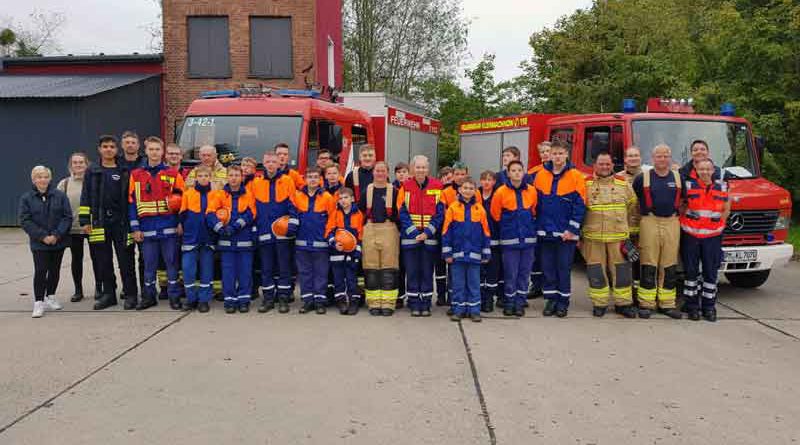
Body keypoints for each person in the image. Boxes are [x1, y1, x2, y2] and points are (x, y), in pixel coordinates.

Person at [80, 135, 138, 310]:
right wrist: (85, 220)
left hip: (122, 222)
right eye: (105, 146)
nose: (108, 149)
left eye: (112, 146)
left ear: (116, 149)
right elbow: (86, 196)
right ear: (99, 149)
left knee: (126, 261)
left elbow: (132, 197)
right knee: (103, 261)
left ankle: (131, 294)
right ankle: (109, 295)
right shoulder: (92, 170)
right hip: (99, 222)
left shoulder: (124, 170)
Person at [129, 136, 185, 310]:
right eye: (151, 149)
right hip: (146, 229)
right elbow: (132, 202)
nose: (154, 152)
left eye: (157, 149)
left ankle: (174, 297)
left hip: (169, 227)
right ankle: (148, 297)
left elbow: (183, 201)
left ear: (163, 153)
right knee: (149, 266)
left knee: (172, 264)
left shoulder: (173, 174)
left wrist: (180, 223)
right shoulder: (136, 175)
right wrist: (135, 227)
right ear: (145, 151)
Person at [533, 140, 586, 318]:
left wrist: (572, 229)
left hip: (566, 234)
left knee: (563, 268)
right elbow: (535, 203)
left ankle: (563, 303)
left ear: (566, 155)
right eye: (554, 153)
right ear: (550, 155)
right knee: (548, 268)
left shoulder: (576, 176)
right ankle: (550, 300)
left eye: (560, 153)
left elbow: (580, 205)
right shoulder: (540, 175)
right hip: (545, 232)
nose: (557, 157)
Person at [581, 152, 638, 318]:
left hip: (618, 237)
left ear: (612, 166)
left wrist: (630, 233)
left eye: (607, 164)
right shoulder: (586, 184)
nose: (604, 167)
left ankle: (623, 304)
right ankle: (600, 304)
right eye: (601, 164)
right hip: (593, 237)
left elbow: (632, 207)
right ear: (595, 166)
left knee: (622, 272)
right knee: (596, 271)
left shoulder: (623, 184)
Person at [632, 144, 683, 319]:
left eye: (666, 156)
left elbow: (684, 201)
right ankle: (646, 304)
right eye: (659, 156)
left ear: (670, 157)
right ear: (653, 158)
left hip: (672, 222)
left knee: (669, 264)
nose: (662, 159)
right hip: (650, 221)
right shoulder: (642, 178)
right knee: (648, 262)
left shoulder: (678, 177)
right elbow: (635, 200)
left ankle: (667, 304)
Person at [680, 158, 730, 322]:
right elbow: (681, 206)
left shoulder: (722, 187)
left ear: (713, 170)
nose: (705, 172)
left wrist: (718, 225)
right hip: (691, 236)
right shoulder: (688, 186)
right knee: (691, 272)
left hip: (712, 237)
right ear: (696, 169)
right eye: (701, 169)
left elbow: (726, 209)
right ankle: (692, 307)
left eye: (708, 169)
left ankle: (709, 307)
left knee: (710, 272)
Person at [20, 166, 72, 318]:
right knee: (41, 270)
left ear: (50, 178)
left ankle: (51, 296)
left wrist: (56, 235)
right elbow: (25, 220)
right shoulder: (27, 198)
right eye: (39, 177)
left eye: (45, 177)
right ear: (33, 179)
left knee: (54, 270)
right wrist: (43, 236)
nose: (42, 180)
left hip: (58, 241)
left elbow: (67, 217)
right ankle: (39, 302)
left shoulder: (60, 196)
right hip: (39, 243)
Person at [251, 151, 297, 314]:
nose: (271, 164)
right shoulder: (256, 183)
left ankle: (283, 298)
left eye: (273, 162)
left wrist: (292, 223)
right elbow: (252, 208)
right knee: (267, 268)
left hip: (282, 232)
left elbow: (293, 204)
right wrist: (255, 228)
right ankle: (268, 299)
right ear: (263, 163)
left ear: (279, 164)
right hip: (264, 231)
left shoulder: (287, 181)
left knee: (283, 267)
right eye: (268, 161)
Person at [490, 161, 538, 317]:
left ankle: (519, 303)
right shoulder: (500, 192)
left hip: (528, 241)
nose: (517, 173)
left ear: (523, 172)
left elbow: (534, 210)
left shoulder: (531, 191)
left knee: (524, 274)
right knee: (510, 274)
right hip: (510, 241)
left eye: (519, 170)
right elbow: (495, 214)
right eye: (513, 170)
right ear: (508, 173)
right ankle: (509, 303)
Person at [206, 165, 256, 314]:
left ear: (241, 177)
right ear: (227, 177)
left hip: (244, 240)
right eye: (231, 175)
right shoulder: (220, 195)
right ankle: (229, 301)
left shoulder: (248, 194)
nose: (234, 178)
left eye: (236, 175)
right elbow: (210, 213)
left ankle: (244, 300)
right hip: (226, 242)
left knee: (245, 272)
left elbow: (251, 213)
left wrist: (235, 226)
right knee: (228, 272)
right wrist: (219, 228)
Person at [398, 155, 444, 317]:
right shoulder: (405, 186)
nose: (420, 170)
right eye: (418, 167)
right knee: (412, 271)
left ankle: (425, 303)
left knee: (426, 271)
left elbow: (440, 213)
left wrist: (428, 232)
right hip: (411, 237)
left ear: (428, 169)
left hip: (429, 238)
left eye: (423, 167)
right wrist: (414, 232)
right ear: (412, 169)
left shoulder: (438, 186)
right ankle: (413, 303)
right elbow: (401, 211)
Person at [442, 177, 491, 322]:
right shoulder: (453, 208)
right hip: (457, 256)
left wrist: (486, 251)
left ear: (475, 190)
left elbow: (486, 232)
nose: (468, 191)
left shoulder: (480, 209)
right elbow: (446, 231)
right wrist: (447, 252)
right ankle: (458, 310)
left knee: (474, 284)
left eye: (471, 188)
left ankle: (474, 311)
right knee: (458, 284)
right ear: (459, 189)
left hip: (475, 255)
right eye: (465, 188)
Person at [290, 166, 336, 314]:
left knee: (321, 274)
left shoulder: (327, 197)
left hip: (321, 244)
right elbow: (292, 215)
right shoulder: (297, 196)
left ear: (320, 180)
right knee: (305, 273)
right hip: (302, 244)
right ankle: (307, 301)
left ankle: (320, 302)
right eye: (310, 177)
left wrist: (329, 237)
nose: (313, 179)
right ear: (305, 179)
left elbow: (332, 219)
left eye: (316, 177)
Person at [57, 152, 100, 302]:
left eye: (81, 162)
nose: (78, 165)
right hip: (73, 229)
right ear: (71, 166)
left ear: (86, 164)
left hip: (92, 227)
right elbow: (58, 207)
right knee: (76, 259)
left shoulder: (94, 182)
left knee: (97, 259)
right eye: (75, 162)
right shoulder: (65, 184)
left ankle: (99, 288)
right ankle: (78, 290)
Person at [360, 162, 401, 316]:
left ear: (387, 173)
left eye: (383, 171)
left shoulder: (394, 191)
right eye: (377, 171)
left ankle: (388, 303)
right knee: (371, 268)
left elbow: (400, 213)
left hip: (389, 229)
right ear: (373, 173)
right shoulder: (367, 190)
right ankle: (374, 303)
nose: (380, 173)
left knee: (389, 268)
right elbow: (360, 211)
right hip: (370, 229)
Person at [179, 165, 215, 313]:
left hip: (208, 237)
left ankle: (204, 300)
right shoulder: (188, 193)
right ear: (196, 178)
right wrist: (182, 225)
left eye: (206, 176)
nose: (203, 179)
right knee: (188, 269)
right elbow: (182, 213)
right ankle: (191, 298)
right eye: (200, 176)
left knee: (207, 270)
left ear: (210, 178)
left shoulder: (216, 194)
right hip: (191, 237)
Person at [326, 187, 364, 315]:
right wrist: (334, 243)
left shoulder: (358, 214)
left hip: (352, 254)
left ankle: (354, 301)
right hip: (337, 253)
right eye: (340, 198)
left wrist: (358, 253)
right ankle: (341, 301)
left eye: (346, 197)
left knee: (352, 278)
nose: (343, 200)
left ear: (352, 199)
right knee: (338, 279)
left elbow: (360, 235)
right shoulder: (335, 214)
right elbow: (328, 231)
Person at [437, 162, 469, 309]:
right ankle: (448, 297)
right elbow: (442, 213)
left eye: (463, 174)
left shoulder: (472, 190)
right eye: (457, 174)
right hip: (450, 233)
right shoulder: (446, 192)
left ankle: (460, 298)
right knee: (448, 267)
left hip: (467, 236)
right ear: (453, 176)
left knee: (460, 268)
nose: (460, 177)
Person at [526, 141, 551, 299]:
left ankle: (549, 285)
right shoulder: (533, 172)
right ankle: (536, 285)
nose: (545, 154)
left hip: (553, 219)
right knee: (536, 255)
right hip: (537, 218)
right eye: (542, 152)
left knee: (549, 255)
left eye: (548, 151)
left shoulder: (562, 171)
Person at [621, 146, 643, 300]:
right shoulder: (618, 178)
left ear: (640, 158)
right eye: (630, 156)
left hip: (644, 228)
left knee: (641, 265)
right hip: (623, 229)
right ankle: (624, 298)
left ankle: (638, 296)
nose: (633, 158)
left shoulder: (649, 176)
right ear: (625, 159)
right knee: (622, 265)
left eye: (636, 155)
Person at [479, 170, 501, 312]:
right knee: (480, 271)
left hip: (494, 240)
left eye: (490, 179)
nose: (487, 182)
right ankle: (480, 298)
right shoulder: (474, 194)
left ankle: (489, 300)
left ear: (494, 182)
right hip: (478, 241)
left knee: (493, 272)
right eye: (484, 179)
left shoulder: (498, 195)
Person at [393, 162, 410, 308]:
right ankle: (399, 296)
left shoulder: (412, 187)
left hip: (410, 231)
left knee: (408, 265)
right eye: (398, 172)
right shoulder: (391, 189)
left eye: (404, 172)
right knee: (398, 266)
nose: (401, 174)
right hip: (395, 231)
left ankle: (411, 296)